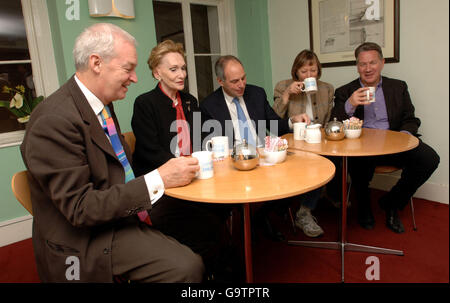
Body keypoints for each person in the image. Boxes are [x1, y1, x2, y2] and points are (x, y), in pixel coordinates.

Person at [20, 23, 204, 282]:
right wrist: (159, 179)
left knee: (199, 225)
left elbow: (117, 172)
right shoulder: (53, 120)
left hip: (117, 214)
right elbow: (80, 209)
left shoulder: (100, 104)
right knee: (187, 267)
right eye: (128, 68)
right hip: (86, 237)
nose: (135, 77)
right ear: (96, 63)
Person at [131, 40, 237, 282]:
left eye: (183, 68)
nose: (182, 74)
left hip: (193, 178)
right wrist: (184, 169)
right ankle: (213, 268)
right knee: (209, 225)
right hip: (162, 190)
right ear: (157, 72)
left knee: (225, 205)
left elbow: (201, 139)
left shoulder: (190, 101)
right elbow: (150, 152)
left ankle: (218, 260)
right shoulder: (145, 104)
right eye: (173, 69)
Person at [332, 42, 440, 233]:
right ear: (357, 66)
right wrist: (350, 104)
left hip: (393, 145)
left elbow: (411, 119)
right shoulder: (344, 91)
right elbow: (335, 124)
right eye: (362, 64)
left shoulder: (398, 87)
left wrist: (402, 138)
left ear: (382, 63)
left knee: (429, 158)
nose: (367, 69)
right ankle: (364, 207)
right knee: (357, 163)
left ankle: (392, 202)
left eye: (372, 63)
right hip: (361, 148)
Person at [200, 55, 310, 241]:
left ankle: (257, 218)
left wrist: (293, 120)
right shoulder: (209, 106)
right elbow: (208, 146)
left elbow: (274, 125)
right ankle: (254, 222)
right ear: (220, 81)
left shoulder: (256, 93)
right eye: (235, 81)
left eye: (243, 78)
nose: (242, 84)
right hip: (235, 164)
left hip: (264, 157)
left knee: (297, 179)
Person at [272, 49, 334, 238]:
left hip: (317, 140)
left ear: (318, 70)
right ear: (296, 72)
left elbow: (329, 120)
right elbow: (273, 119)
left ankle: (305, 210)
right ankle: (292, 207)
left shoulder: (327, 88)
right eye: (304, 72)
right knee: (307, 163)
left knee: (322, 163)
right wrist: (287, 95)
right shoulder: (283, 86)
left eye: (313, 71)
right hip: (292, 139)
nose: (309, 75)